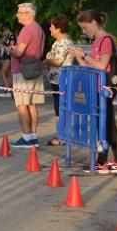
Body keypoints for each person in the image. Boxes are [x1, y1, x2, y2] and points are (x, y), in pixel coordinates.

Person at [69, 10, 117, 174]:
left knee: (106, 126)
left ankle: (104, 162)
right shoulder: (97, 41)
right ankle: (116, 161)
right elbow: (89, 66)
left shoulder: (106, 40)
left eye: (85, 27)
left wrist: (85, 54)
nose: (83, 31)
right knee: (106, 125)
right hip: (98, 86)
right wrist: (79, 56)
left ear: (94, 23)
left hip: (106, 87)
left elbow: (102, 66)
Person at [8, 3, 46, 147]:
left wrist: (10, 50)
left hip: (22, 70)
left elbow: (19, 52)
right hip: (35, 68)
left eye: (20, 12)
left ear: (28, 14)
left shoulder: (27, 30)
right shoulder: (39, 29)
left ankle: (26, 137)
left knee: (22, 104)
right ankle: (33, 137)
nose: (18, 15)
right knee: (32, 105)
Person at [44, 15, 74, 146]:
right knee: (58, 108)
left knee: (61, 109)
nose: (50, 29)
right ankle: (61, 134)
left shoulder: (64, 43)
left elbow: (58, 61)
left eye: (52, 27)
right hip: (56, 79)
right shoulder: (58, 42)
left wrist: (47, 61)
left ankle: (63, 136)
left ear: (59, 28)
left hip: (63, 80)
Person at [0, 24, 16, 98]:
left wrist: (4, 45)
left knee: (2, 73)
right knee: (8, 74)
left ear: (7, 29)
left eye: (4, 31)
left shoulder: (12, 37)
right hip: (7, 56)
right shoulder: (8, 37)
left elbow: (11, 47)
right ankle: (10, 91)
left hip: (9, 57)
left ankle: (8, 91)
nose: (3, 33)